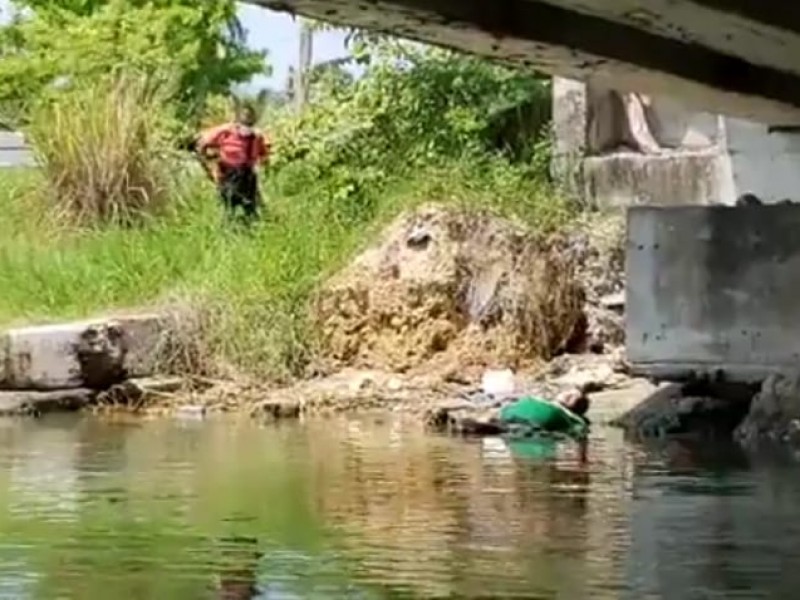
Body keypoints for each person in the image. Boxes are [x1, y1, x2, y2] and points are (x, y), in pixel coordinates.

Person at [196, 104, 270, 224]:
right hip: (228, 173)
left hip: (247, 174)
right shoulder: (226, 131)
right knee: (229, 203)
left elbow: (264, 154)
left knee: (250, 205)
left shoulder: (256, 136)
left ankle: (252, 224)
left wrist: (264, 163)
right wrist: (206, 160)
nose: (246, 130)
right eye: (244, 125)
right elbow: (203, 141)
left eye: (249, 125)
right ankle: (228, 226)